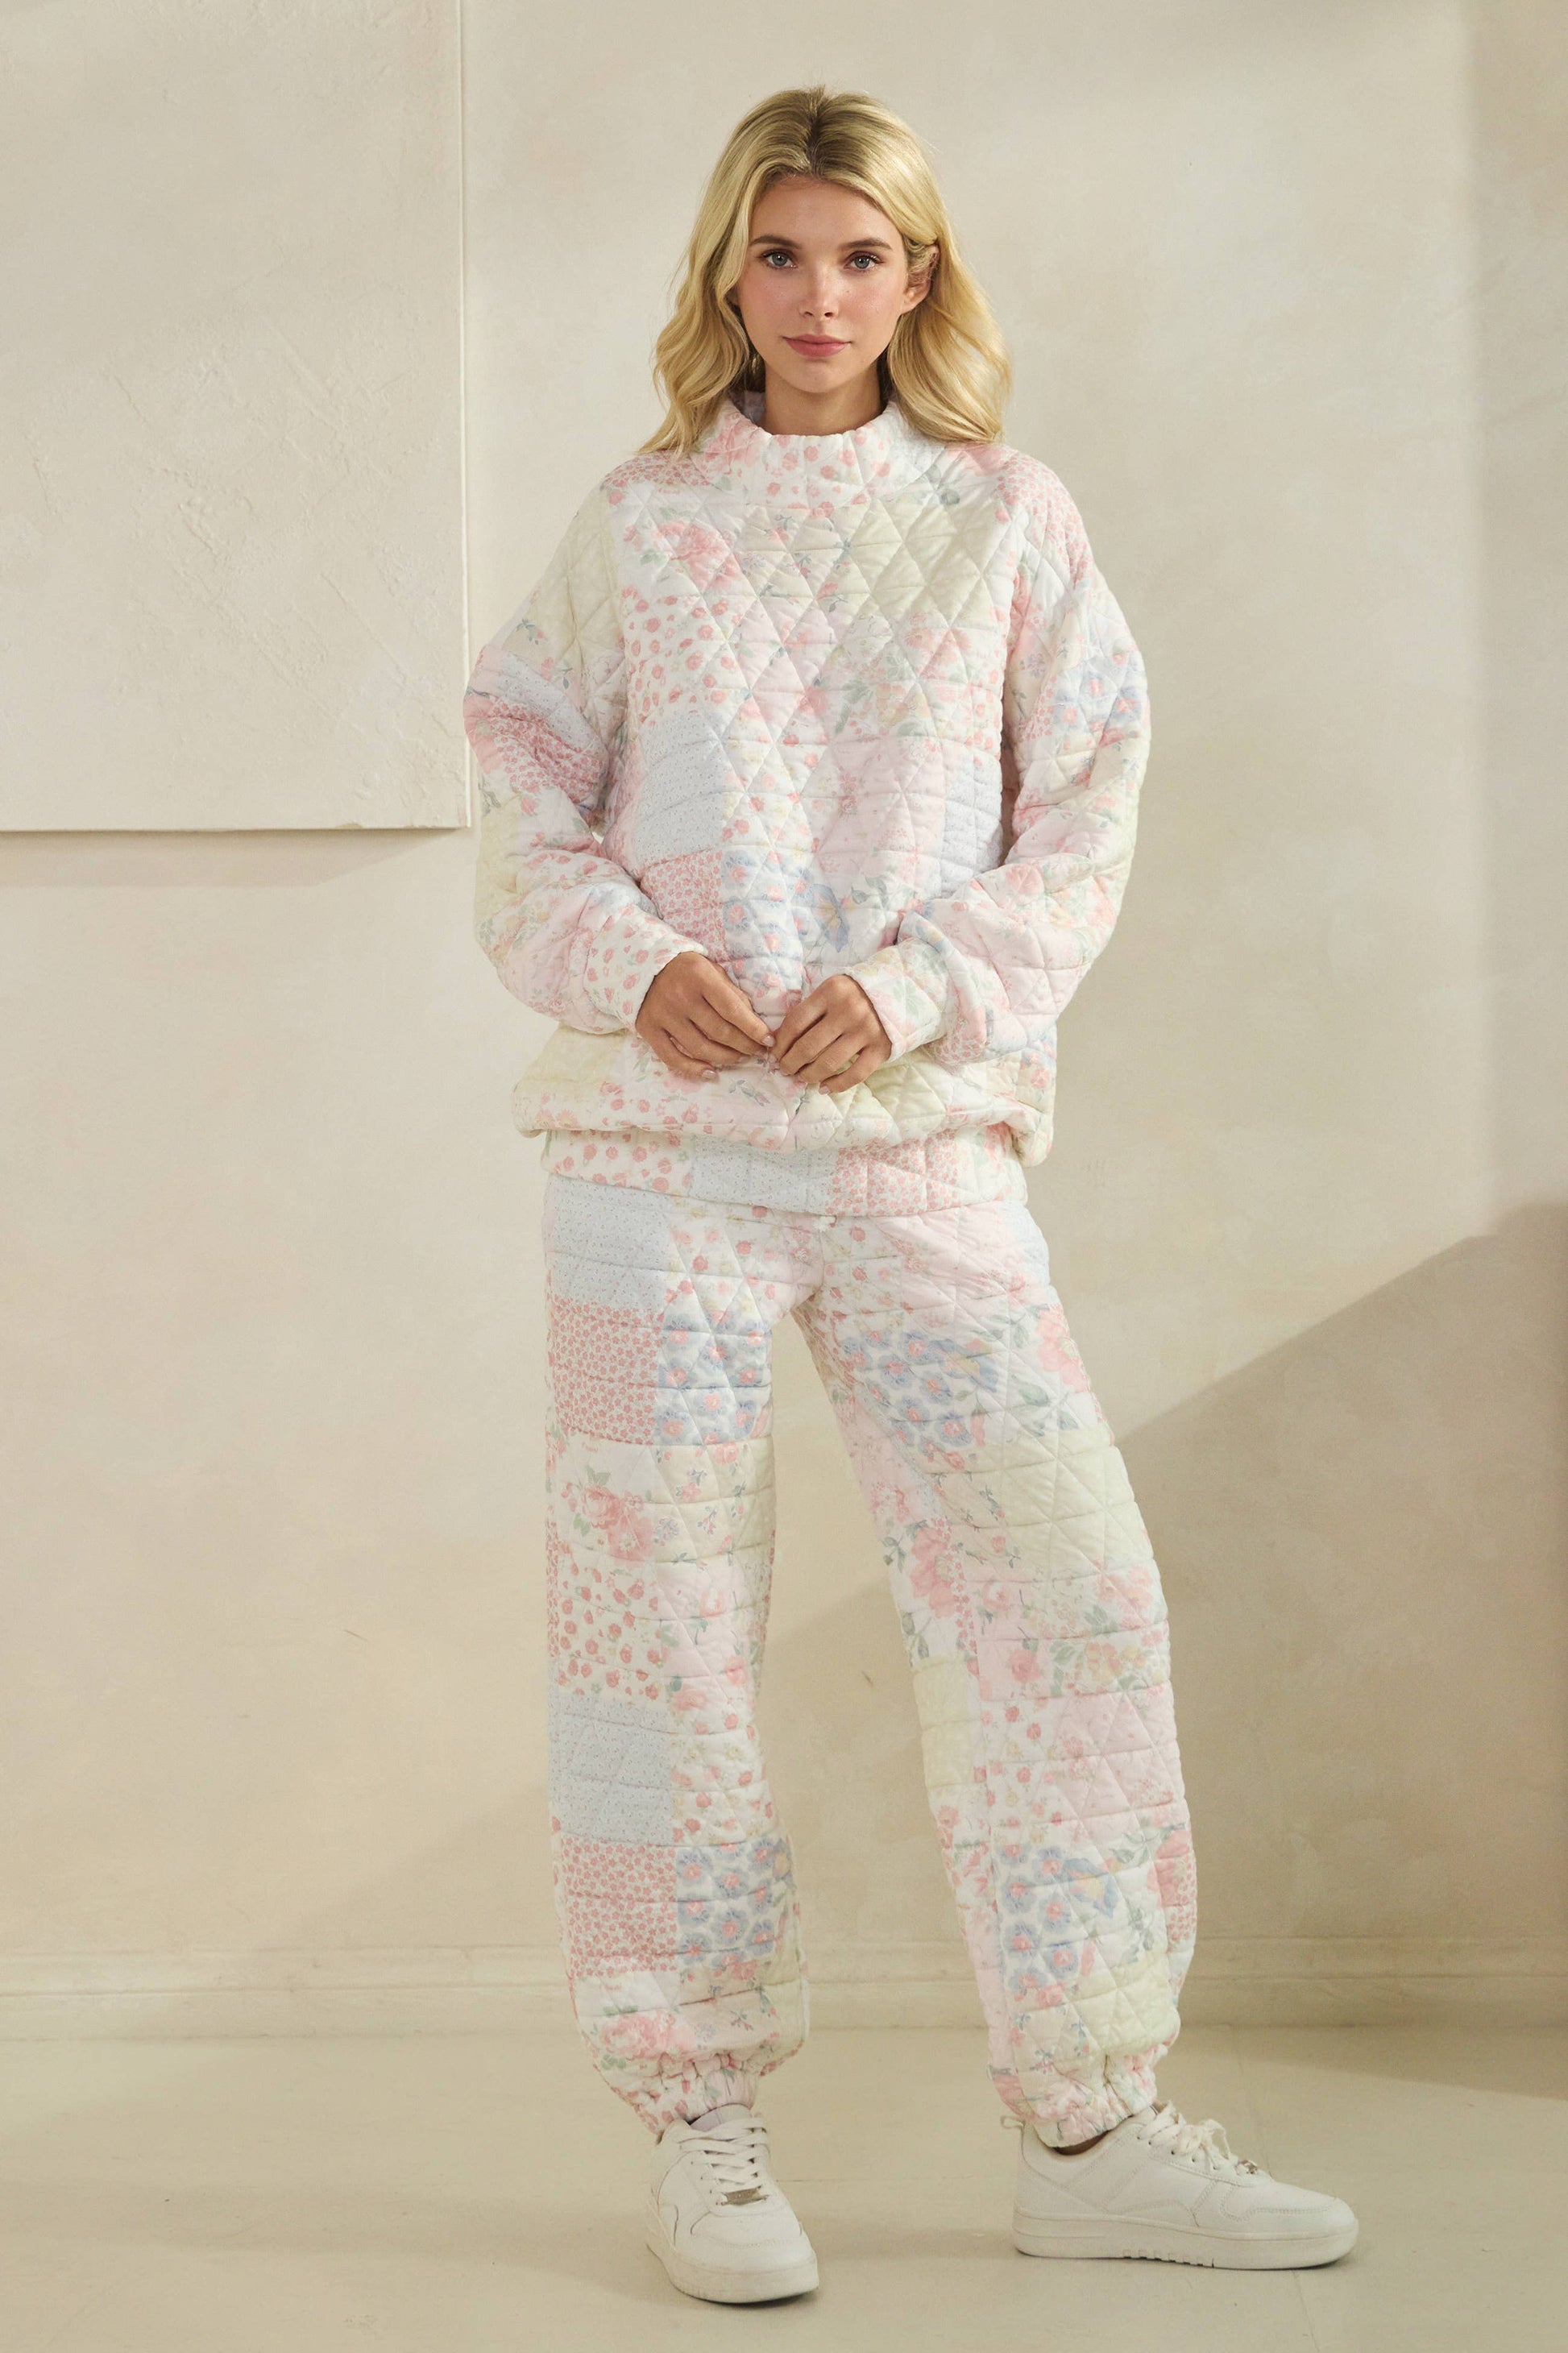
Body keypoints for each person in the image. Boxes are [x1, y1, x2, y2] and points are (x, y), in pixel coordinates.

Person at [463, 82, 1358, 2305]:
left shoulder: (1005, 519)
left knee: (1066, 1598)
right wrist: (632, 963)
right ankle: (698, 2125)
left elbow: (1089, 806)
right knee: (655, 1636)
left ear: (919, 277)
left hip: (913, 1146)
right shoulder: (642, 522)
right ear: (724, 272)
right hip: (654, 1158)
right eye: (778, 254)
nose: (819, 296)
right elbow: (520, 780)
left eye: (860, 256)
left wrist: (926, 984)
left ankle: (1091, 2122)